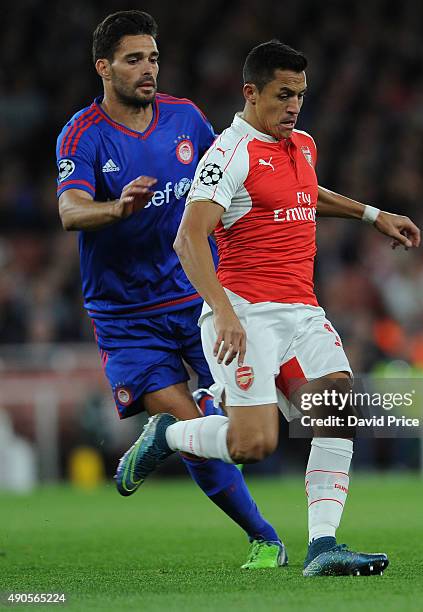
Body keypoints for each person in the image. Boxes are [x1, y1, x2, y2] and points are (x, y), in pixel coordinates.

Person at [118, 40, 421, 576]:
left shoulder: (302, 144)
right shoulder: (227, 155)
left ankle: (323, 545)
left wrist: (373, 214)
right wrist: (225, 313)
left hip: (301, 310)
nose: (294, 106)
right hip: (245, 312)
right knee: (253, 444)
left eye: (301, 94)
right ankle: (166, 434)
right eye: (284, 95)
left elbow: (305, 194)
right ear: (251, 93)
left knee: (338, 409)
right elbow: (189, 240)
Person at [55, 12, 286, 570]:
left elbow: (229, 181)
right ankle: (265, 539)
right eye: (134, 59)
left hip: (198, 300)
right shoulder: (82, 134)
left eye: (153, 57)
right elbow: (69, 210)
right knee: (191, 430)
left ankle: (169, 435)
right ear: (103, 67)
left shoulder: (185, 120)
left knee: (242, 427)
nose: (148, 69)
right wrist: (117, 207)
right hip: (127, 316)